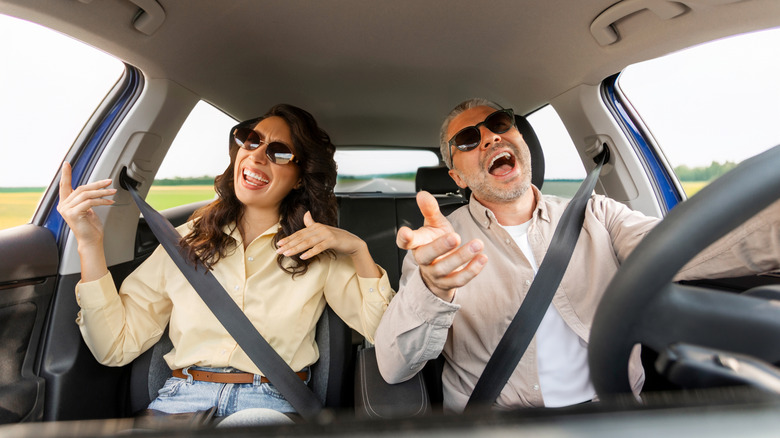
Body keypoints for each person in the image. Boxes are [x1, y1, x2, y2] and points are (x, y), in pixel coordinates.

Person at [374, 97, 780, 412]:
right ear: (457, 177)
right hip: (498, 423)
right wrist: (433, 287)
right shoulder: (436, 249)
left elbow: (691, 245)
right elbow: (394, 366)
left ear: (519, 140)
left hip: (615, 413)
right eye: (467, 139)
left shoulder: (597, 213)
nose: (490, 138)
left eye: (499, 125)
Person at [58, 104, 394, 420]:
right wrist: (89, 244)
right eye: (252, 141)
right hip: (180, 401)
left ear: (300, 177)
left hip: (269, 402)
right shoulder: (184, 241)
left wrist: (358, 250)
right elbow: (114, 347)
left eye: (279, 152)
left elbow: (388, 339)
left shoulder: (317, 250)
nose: (258, 155)